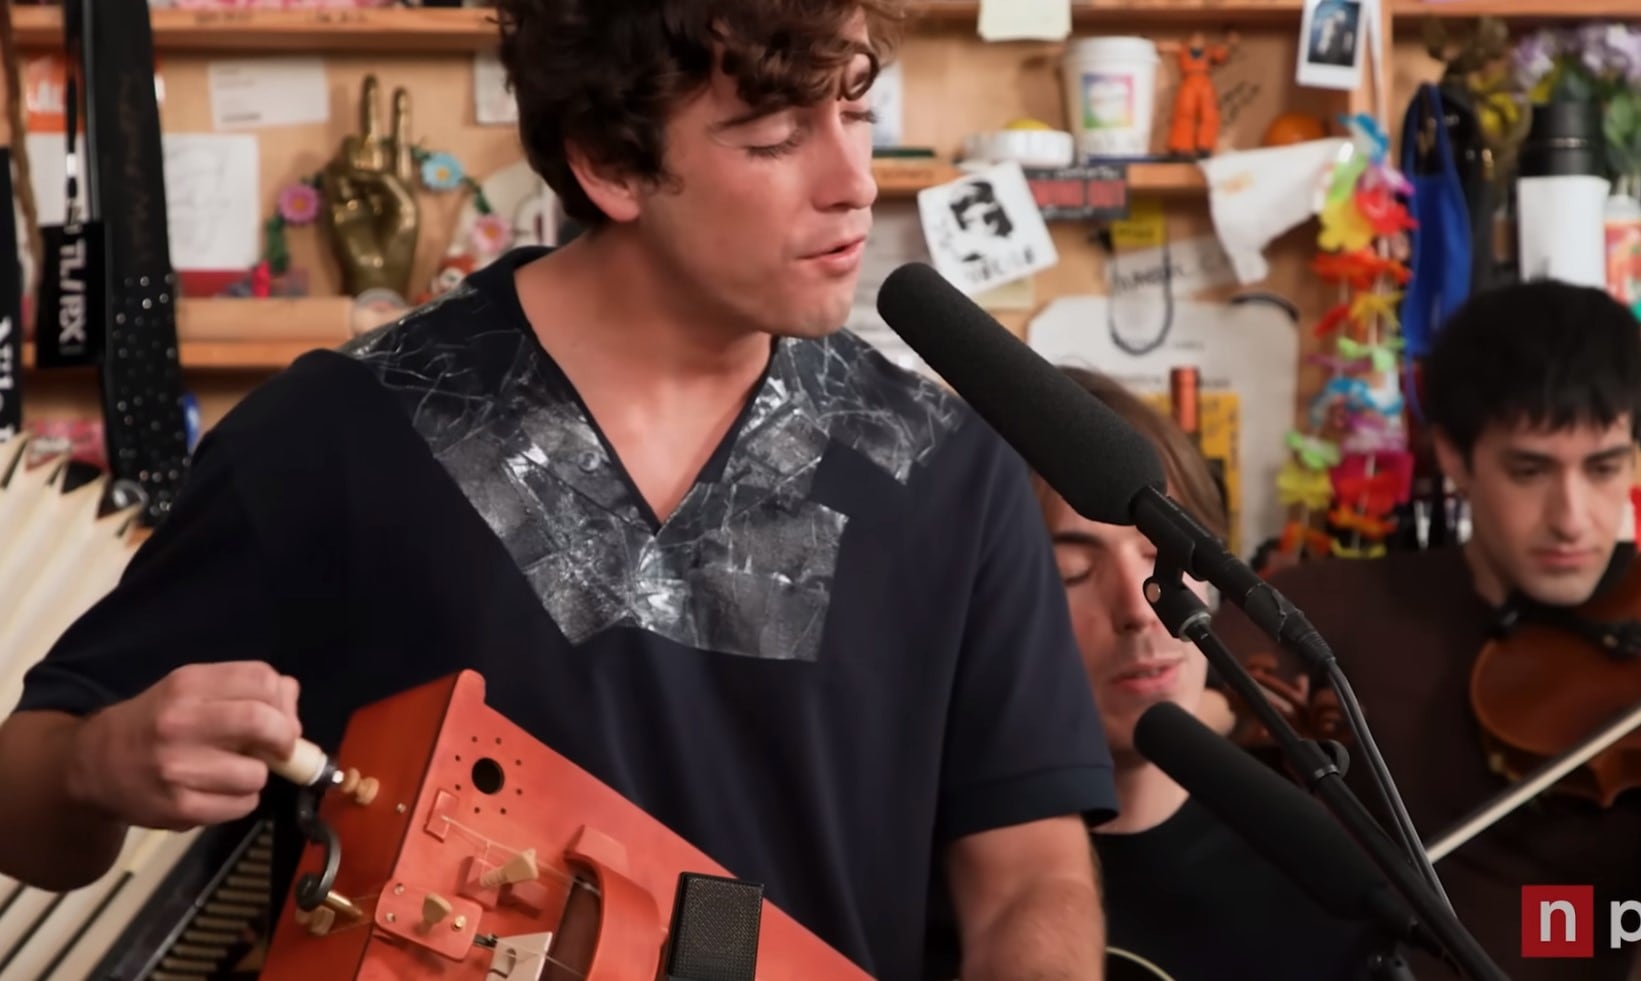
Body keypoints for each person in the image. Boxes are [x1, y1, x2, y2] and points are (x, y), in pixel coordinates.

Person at [0, 3, 1120, 979]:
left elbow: (1028, 880)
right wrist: (101, 763)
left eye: (858, 113)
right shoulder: (341, 432)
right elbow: (27, 805)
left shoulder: (942, 461)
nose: (854, 183)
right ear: (608, 165)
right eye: (777, 137)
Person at [1213, 280, 1641, 981]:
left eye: (1603, 468)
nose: (1572, 517)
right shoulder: (1324, 609)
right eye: (1529, 470)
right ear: (1453, 456)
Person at [1034, 366, 1378, 981]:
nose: (1141, 610)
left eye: (1162, 555)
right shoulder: (921, 881)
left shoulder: (1307, 878)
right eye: (1073, 575)